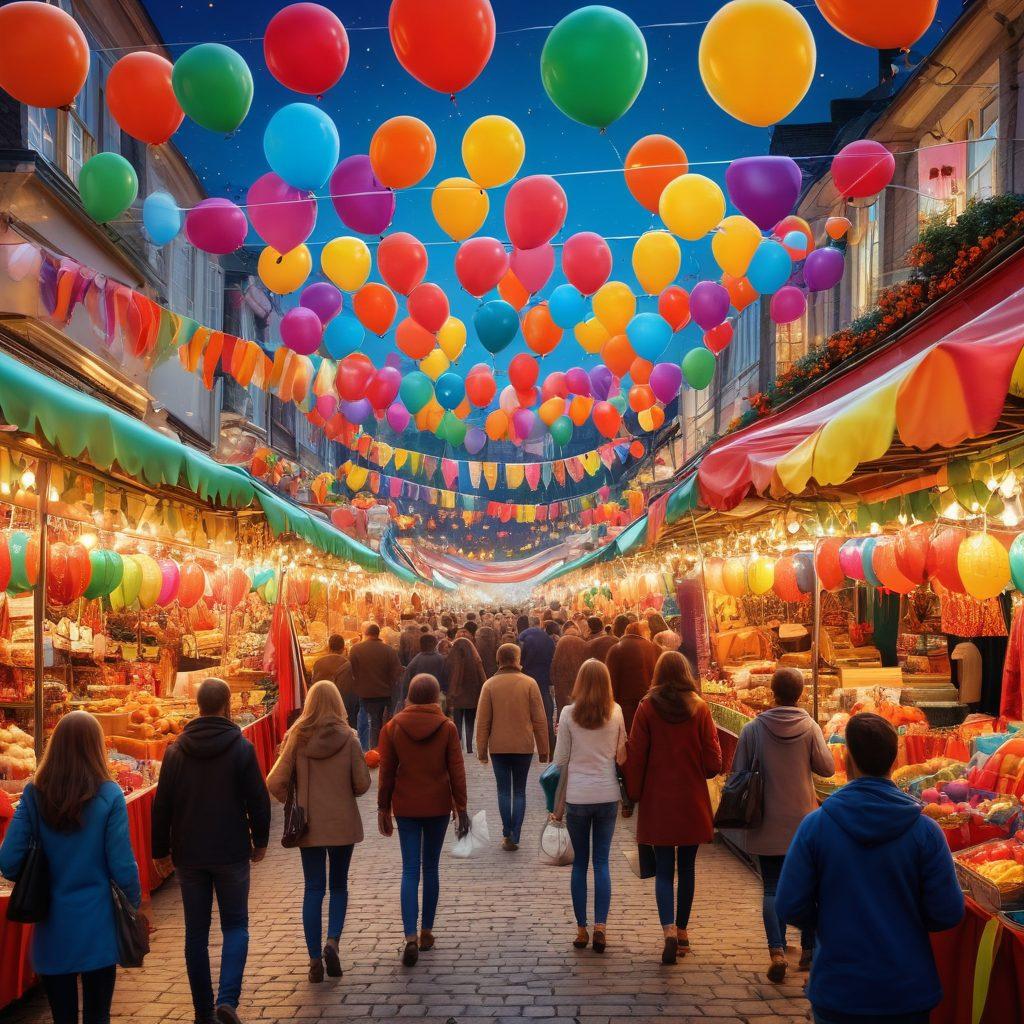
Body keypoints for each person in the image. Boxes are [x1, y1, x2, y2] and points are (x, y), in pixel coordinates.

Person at [776, 713, 964, 1024]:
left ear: (848, 760)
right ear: (895, 760)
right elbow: (947, 911)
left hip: (840, 987)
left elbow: (790, 903)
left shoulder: (816, 826)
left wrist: (830, 921)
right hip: (906, 989)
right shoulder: (926, 832)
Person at [0, 712, 141, 1024]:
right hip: (98, 926)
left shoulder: (34, 795)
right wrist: (134, 905)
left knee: (62, 1016)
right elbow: (122, 865)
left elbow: (8, 861)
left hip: (53, 927)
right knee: (97, 1014)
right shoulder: (109, 794)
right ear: (96, 748)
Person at [152, 679, 271, 1024]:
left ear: (199, 706)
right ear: (227, 705)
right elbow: (258, 800)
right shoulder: (241, 748)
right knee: (236, 925)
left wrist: (160, 851)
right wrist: (260, 840)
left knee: (196, 934)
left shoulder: (176, 751)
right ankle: (228, 1000)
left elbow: (162, 806)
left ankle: (203, 1010)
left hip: (189, 853)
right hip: (231, 849)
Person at [731, 667, 835, 981]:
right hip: (804, 822)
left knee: (772, 888)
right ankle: (808, 950)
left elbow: (737, 774)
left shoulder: (752, 729)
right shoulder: (810, 726)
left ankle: (776, 950)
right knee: (809, 887)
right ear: (799, 694)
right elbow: (827, 768)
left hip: (765, 820)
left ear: (772, 693)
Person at [266, 682, 371, 983]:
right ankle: (332, 941)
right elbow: (362, 784)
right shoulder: (349, 738)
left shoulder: (297, 737)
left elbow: (274, 781)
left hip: (308, 824)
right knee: (338, 886)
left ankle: (314, 958)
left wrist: (293, 801)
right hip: (341, 824)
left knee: (313, 889)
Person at [624, 652, 722, 965]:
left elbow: (636, 755)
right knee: (688, 867)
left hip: (658, 799)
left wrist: (634, 794)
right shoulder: (700, 707)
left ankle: (666, 929)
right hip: (691, 799)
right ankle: (682, 932)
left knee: (664, 869)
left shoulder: (647, 708)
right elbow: (713, 762)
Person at [377, 674, 469, 967]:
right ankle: (427, 931)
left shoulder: (392, 728)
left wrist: (383, 808)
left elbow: (386, 773)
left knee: (409, 870)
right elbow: (456, 770)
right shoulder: (447, 727)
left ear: (409, 696)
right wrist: (461, 807)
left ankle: (409, 936)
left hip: (405, 806)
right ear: (435, 698)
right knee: (430, 868)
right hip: (438, 805)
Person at [552, 660, 627, 954]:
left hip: (577, 796)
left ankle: (581, 928)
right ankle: (601, 927)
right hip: (607, 793)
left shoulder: (569, 714)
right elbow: (621, 755)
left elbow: (560, 760)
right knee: (602, 863)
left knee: (580, 864)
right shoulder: (617, 711)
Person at [476, 643, 550, 851]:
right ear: (518, 660)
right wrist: (543, 749)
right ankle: (515, 833)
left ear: (498, 660)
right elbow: (540, 720)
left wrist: (482, 750)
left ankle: (506, 831)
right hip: (523, 746)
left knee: (503, 791)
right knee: (519, 791)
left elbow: (483, 722)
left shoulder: (489, 685)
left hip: (498, 747)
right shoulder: (529, 683)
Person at [349, 623, 403, 750]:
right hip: (385, 694)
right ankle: (380, 748)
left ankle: (366, 750)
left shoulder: (356, 649)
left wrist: (360, 684)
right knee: (380, 723)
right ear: (378, 634)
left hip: (364, 694)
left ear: (365, 634)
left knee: (365, 722)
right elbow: (397, 672)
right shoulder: (389, 651)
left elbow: (353, 671)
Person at [606, 622, 660, 732]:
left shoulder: (615, 650)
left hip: (624, 709)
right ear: (644, 633)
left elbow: (610, 683)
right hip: (651, 705)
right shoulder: (655, 649)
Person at [518, 615, 557, 753]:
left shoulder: (523, 636)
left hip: (527, 679)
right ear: (539, 624)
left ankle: (526, 745)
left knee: (525, 713)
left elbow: (521, 659)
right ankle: (550, 744)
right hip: (544, 680)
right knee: (547, 714)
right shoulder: (547, 639)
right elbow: (553, 658)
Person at [446, 636, 486, 753]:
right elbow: (482, 677)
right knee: (470, 722)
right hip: (471, 698)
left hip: (457, 698)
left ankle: (458, 746)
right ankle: (469, 747)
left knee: (457, 722)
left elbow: (447, 678)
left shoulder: (451, 661)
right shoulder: (475, 660)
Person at [311, 634, 358, 727]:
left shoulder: (318, 662)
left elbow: (313, 683)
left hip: (321, 704)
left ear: (329, 647)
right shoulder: (347, 663)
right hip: (342, 706)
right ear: (343, 648)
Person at [551, 622, 589, 721]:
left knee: (564, 713)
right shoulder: (583, 644)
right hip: (579, 684)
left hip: (562, 686)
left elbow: (554, 667)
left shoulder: (560, 644)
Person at [402, 633, 447, 704]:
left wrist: (405, 699)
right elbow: (446, 678)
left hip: (418, 699)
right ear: (435, 644)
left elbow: (406, 683)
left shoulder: (415, 661)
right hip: (436, 697)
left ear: (420, 645)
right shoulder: (441, 659)